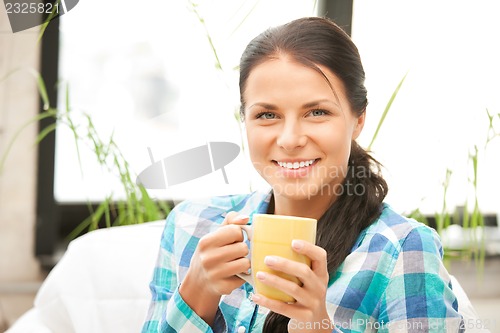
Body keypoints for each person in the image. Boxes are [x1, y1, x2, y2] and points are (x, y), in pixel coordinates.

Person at [142, 17, 464, 333]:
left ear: (358, 119)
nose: (290, 139)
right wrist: (197, 291)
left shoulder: (401, 251)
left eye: (317, 112)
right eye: (267, 115)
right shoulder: (190, 226)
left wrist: (318, 327)